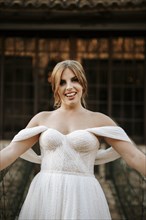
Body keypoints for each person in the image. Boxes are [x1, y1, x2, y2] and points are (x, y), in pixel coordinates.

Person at [0, 60, 146, 220]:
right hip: (45, 193)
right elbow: (10, 152)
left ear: (83, 82)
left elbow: (134, 156)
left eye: (74, 79)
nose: (69, 87)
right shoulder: (41, 118)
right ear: (55, 88)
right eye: (62, 82)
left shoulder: (100, 120)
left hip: (84, 196)